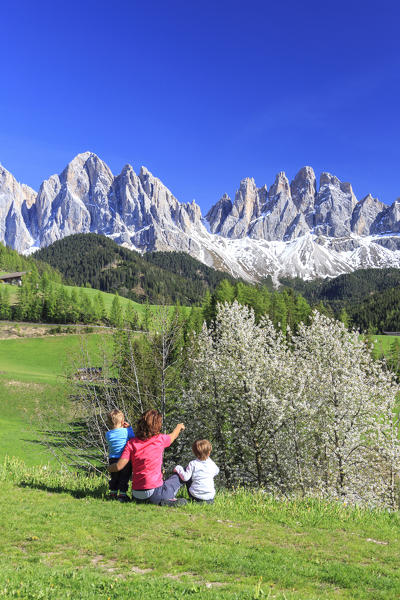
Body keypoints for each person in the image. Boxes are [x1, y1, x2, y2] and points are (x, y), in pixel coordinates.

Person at [108, 409, 187, 506]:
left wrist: (109, 468)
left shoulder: (131, 443)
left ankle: (161, 500)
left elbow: (119, 466)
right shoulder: (160, 439)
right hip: (154, 493)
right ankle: (167, 501)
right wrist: (179, 427)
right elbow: (173, 436)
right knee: (180, 474)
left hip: (136, 494)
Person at [174, 439, 219, 504]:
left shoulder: (193, 463)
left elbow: (185, 478)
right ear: (209, 452)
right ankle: (206, 502)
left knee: (188, 476)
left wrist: (178, 468)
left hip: (196, 496)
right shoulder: (211, 464)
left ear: (194, 452)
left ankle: (192, 500)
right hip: (210, 496)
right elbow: (217, 471)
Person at [105, 409, 135, 502]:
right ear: (122, 422)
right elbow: (133, 438)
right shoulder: (126, 432)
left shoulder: (108, 434)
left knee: (114, 477)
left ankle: (113, 492)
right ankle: (122, 495)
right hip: (124, 459)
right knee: (124, 477)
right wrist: (129, 427)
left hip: (113, 459)